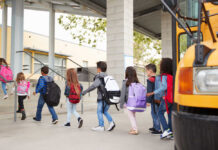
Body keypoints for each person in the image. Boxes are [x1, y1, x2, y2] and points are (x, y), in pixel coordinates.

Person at [82, 61, 115, 132]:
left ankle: (101, 126)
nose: (97, 69)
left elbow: (94, 86)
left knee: (99, 111)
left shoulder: (100, 77)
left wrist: (85, 91)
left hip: (102, 97)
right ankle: (111, 122)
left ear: (99, 69)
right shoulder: (108, 76)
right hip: (109, 97)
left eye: (97, 68)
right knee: (104, 111)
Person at [147, 58, 173, 139]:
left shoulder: (164, 76)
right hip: (172, 98)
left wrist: (153, 92)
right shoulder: (172, 76)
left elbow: (164, 87)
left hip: (166, 98)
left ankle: (166, 130)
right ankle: (171, 132)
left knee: (160, 113)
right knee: (169, 115)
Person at [120, 66, 141, 135]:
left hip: (129, 102)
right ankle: (134, 127)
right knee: (133, 115)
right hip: (136, 102)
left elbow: (123, 93)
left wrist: (121, 104)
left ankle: (135, 129)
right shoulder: (137, 82)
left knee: (131, 116)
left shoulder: (126, 82)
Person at [145, 64, 162, 134]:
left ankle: (158, 129)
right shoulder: (158, 78)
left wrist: (148, 101)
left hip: (153, 100)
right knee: (155, 113)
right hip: (158, 99)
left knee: (154, 113)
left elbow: (149, 91)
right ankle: (155, 126)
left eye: (146, 71)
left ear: (150, 71)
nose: (146, 72)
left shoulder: (150, 80)